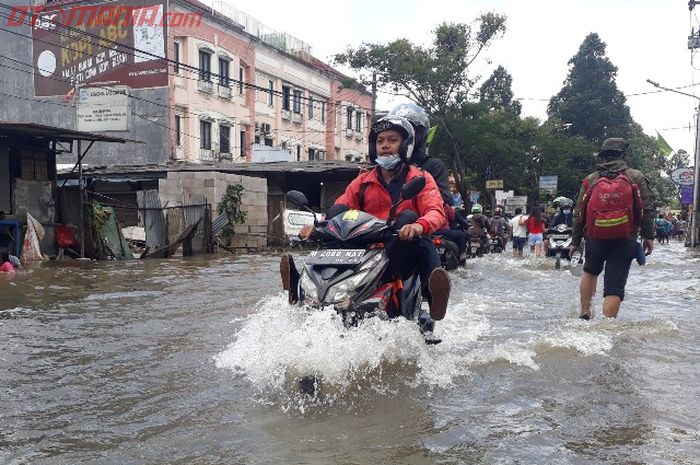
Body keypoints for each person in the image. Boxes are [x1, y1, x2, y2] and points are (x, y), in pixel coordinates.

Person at [288, 115, 451, 322]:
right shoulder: (364, 180)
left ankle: (434, 295)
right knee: (332, 229)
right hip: (363, 243)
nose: (385, 146)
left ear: (406, 146)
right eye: (380, 141)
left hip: (401, 242)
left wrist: (418, 226)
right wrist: (316, 225)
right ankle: (301, 289)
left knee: (422, 240)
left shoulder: (420, 178)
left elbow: (436, 211)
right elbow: (339, 208)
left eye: (392, 140)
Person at [570, 138, 655, 320]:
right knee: (614, 287)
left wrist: (575, 241)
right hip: (625, 238)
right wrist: (649, 236)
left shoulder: (591, 179)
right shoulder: (636, 177)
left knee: (590, 271)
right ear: (623, 155)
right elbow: (647, 209)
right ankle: (607, 327)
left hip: (595, 237)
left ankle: (584, 314)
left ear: (603, 156)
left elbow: (578, 213)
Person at [388, 103, 452, 206]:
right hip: (380, 220)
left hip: (418, 219)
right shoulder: (385, 166)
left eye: (409, 130)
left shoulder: (433, 166)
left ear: (419, 134)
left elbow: (441, 202)